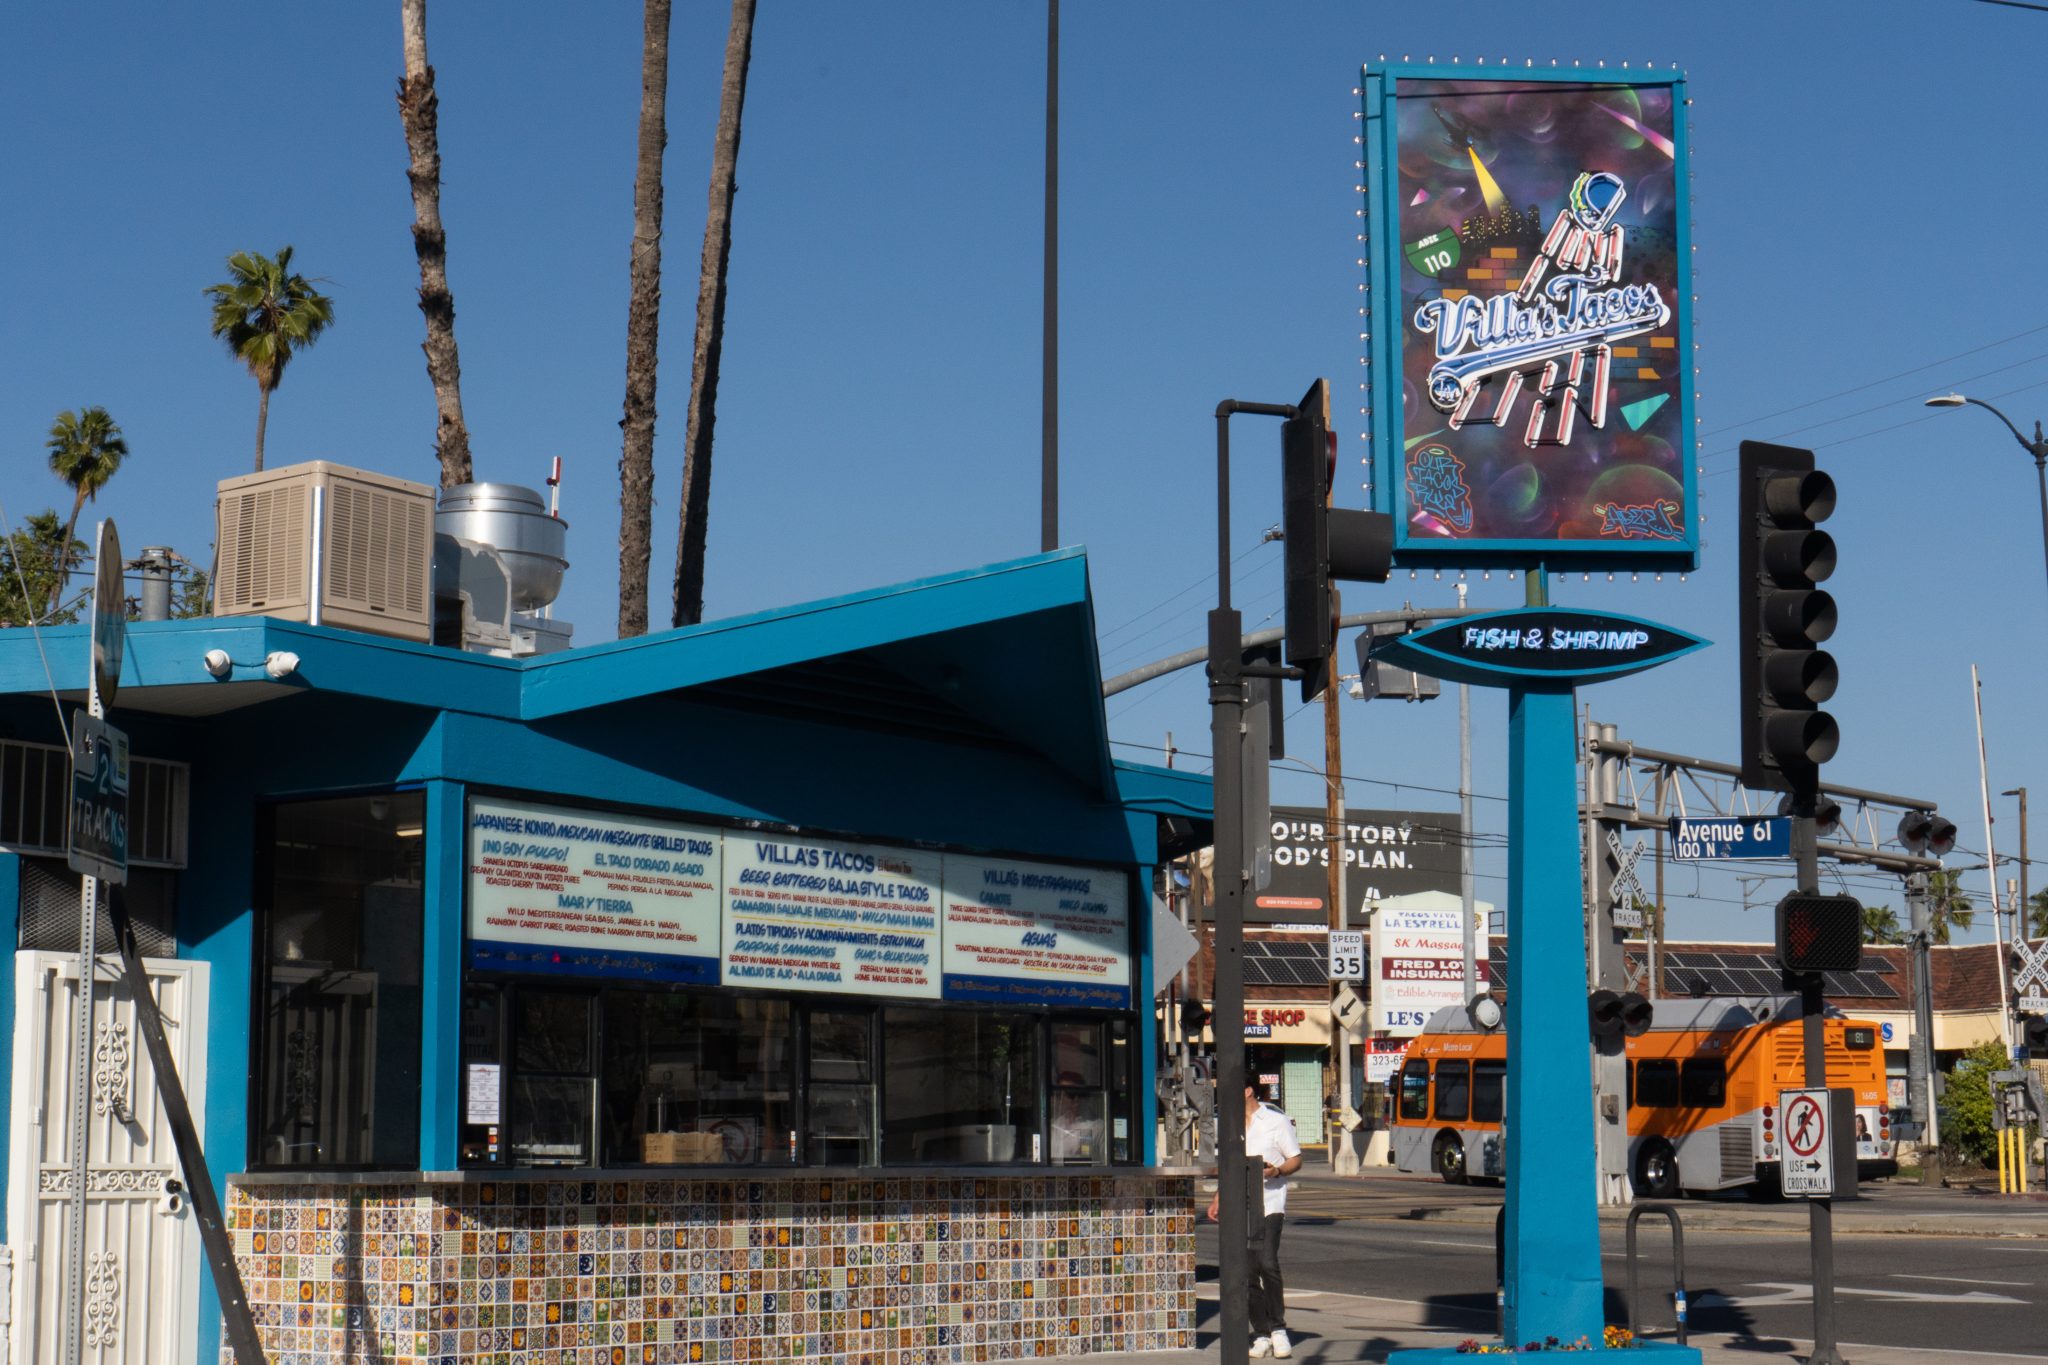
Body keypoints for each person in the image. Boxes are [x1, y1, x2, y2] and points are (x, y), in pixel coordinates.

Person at [1205, 1080, 1304, 1358]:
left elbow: (1295, 1159)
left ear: (1248, 1090)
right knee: (1246, 1271)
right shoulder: (1230, 1124)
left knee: (1267, 1263)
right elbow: (1230, 1166)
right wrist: (1218, 1198)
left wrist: (1278, 1171)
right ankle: (1261, 1333)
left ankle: (1278, 1329)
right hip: (1239, 1205)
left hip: (1269, 1202)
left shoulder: (1275, 1121)